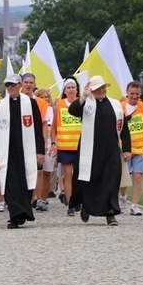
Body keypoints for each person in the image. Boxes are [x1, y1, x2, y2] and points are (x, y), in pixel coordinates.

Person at [69, 75, 130, 226]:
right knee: (89, 181)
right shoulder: (86, 103)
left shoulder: (116, 105)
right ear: (92, 90)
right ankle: (86, 206)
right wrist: (83, 96)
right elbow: (73, 111)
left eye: (103, 87)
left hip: (111, 150)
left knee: (111, 181)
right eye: (98, 89)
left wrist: (127, 149)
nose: (102, 90)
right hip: (90, 150)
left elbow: (124, 128)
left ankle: (110, 213)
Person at [0, 74, 44, 229]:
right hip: (7, 151)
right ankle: (14, 215)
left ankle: (24, 212)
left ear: (20, 85)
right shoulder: (1, 106)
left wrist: (40, 151)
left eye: (13, 85)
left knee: (27, 180)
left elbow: (37, 129)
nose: (10, 88)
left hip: (26, 149)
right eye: (7, 85)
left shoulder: (31, 103)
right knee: (9, 183)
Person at [119, 81, 143, 217]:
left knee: (138, 176)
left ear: (140, 94)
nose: (134, 96)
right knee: (123, 178)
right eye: (132, 94)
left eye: (137, 94)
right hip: (124, 148)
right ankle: (122, 198)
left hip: (140, 148)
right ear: (127, 93)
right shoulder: (120, 107)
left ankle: (134, 205)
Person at [49, 77, 81, 216]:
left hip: (80, 145)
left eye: (73, 87)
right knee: (68, 175)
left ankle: (80, 199)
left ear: (77, 89)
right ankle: (70, 204)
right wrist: (54, 143)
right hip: (65, 145)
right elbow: (54, 127)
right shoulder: (59, 105)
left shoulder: (82, 103)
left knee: (79, 176)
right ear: (64, 90)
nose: (71, 90)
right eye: (68, 87)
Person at [20, 73, 50, 211]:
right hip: (20, 142)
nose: (28, 85)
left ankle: (33, 200)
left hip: (34, 141)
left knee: (36, 172)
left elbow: (44, 124)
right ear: (21, 83)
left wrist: (42, 144)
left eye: (31, 82)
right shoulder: (14, 100)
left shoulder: (41, 103)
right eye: (26, 82)